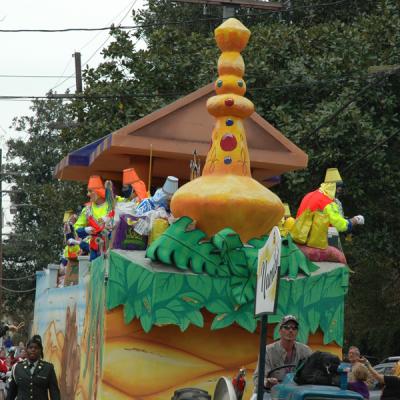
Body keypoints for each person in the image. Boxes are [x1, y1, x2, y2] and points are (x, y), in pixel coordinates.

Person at [252, 315, 312, 395]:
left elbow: (313, 373)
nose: (291, 330)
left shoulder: (306, 351)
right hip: (269, 392)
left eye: (294, 328)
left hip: (294, 394)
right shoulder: (268, 350)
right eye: (286, 327)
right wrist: (266, 382)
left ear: (297, 332)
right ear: (280, 331)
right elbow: (257, 378)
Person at [296, 168, 364, 234]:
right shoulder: (327, 202)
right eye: (338, 190)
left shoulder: (309, 195)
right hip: (313, 239)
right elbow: (341, 226)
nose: (338, 193)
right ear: (333, 188)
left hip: (298, 234)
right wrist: (356, 219)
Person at [6, 335, 60, 400]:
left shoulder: (48, 368)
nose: (33, 350)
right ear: (26, 350)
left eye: (36, 348)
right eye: (30, 347)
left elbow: (54, 393)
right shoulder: (17, 367)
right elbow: (11, 393)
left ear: (40, 351)